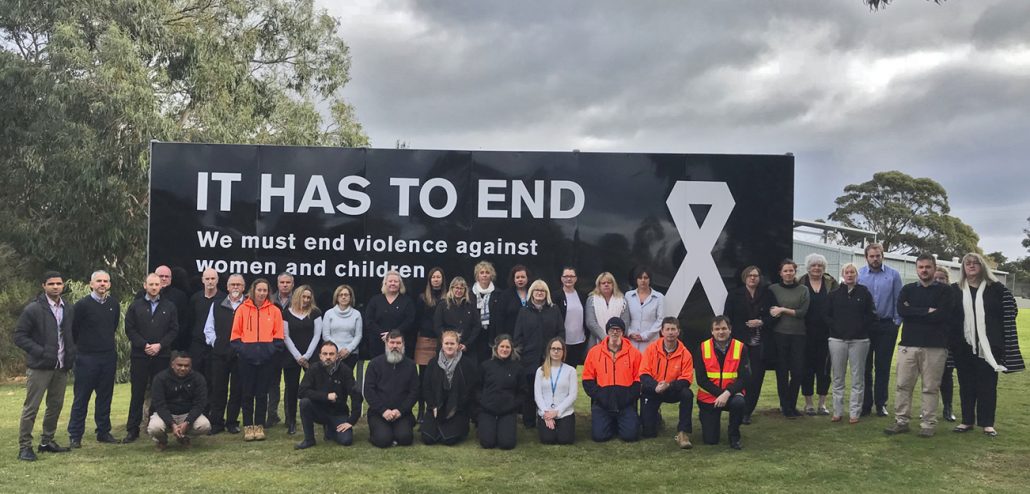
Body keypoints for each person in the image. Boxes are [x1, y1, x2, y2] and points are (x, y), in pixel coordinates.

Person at [951, 252, 1025, 437]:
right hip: (963, 346)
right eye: (968, 263)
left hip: (990, 347)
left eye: (975, 263)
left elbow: (1011, 310)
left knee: (988, 385)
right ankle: (967, 420)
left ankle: (987, 423)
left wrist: (994, 330)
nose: (971, 265)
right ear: (963, 268)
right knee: (966, 384)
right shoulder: (956, 289)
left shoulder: (997, 289)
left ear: (982, 266)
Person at [884, 254, 954, 437]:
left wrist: (914, 312)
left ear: (934, 267)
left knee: (930, 387)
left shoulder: (945, 291)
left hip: (935, 347)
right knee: (903, 385)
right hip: (908, 345)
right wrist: (926, 311)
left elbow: (942, 315)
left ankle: (928, 424)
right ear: (917, 269)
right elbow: (902, 310)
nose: (924, 270)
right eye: (921, 267)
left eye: (928, 267)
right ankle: (901, 421)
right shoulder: (908, 289)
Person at [14, 271, 76, 461]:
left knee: (55, 406)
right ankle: (24, 446)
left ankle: (46, 441)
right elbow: (19, 336)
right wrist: (41, 351)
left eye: (59, 283)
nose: (56, 287)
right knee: (31, 407)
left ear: (63, 285)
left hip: (61, 365)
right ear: (44, 286)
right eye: (51, 284)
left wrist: (72, 351)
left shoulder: (68, 308)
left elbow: (72, 333)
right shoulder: (33, 309)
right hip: (40, 366)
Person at [124, 273, 179, 443]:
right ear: (145, 285)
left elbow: (173, 330)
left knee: (159, 393)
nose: (154, 287)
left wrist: (160, 345)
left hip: (161, 356)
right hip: (140, 356)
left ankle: (155, 427)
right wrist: (144, 345)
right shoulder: (136, 306)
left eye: (157, 284)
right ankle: (132, 430)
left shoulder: (169, 306)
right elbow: (130, 329)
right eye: (151, 284)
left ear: (161, 286)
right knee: (137, 393)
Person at [68, 270, 121, 448]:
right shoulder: (82, 305)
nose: (102, 284)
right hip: (86, 357)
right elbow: (74, 330)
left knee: (105, 396)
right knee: (81, 397)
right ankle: (75, 435)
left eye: (106, 281)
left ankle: (103, 432)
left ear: (109, 285)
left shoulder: (113, 304)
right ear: (91, 284)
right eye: (99, 281)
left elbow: (112, 326)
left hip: (107, 356)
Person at [230, 278, 285, 441]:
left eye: (265, 290)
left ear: (268, 292)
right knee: (247, 393)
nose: (262, 293)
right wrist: (244, 351)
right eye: (259, 290)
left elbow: (279, 336)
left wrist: (270, 351)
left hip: (266, 359)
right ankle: (248, 426)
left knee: (262, 394)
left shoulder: (275, 310)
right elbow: (235, 335)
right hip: (246, 359)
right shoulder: (242, 309)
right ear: (253, 291)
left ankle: (259, 425)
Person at [722, 265, 774, 424]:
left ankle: (748, 411)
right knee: (741, 377)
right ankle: (737, 407)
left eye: (756, 275)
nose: (753, 278)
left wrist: (762, 321)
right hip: (740, 343)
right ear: (745, 277)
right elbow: (727, 317)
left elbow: (775, 315)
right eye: (750, 275)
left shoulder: (767, 294)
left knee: (756, 378)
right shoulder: (734, 295)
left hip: (760, 344)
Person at [826, 263, 876, 424]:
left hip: (859, 341)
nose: (849, 275)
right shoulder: (834, 294)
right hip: (837, 340)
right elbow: (827, 316)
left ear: (856, 275)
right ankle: (837, 411)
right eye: (847, 272)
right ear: (842, 275)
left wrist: (858, 329)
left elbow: (871, 315)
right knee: (838, 377)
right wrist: (838, 329)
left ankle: (855, 412)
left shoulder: (864, 293)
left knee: (857, 377)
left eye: (852, 272)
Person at [858, 243, 903, 417]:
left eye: (878, 256)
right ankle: (865, 404)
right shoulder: (860, 275)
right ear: (866, 257)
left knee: (883, 367)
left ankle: (881, 404)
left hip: (886, 326)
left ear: (882, 255)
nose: (875, 259)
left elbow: (898, 300)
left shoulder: (893, 275)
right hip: (865, 327)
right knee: (865, 367)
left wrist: (896, 323)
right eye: (872, 256)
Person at [582, 317, 642, 442]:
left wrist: (628, 397)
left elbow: (639, 379)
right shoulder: (594, 352)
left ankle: (619, 422)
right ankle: (612, 423)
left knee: (630, 436)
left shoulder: (635, 353)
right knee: (599, 437)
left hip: (626, 404)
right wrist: (600, 396)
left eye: (618, 330)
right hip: (602, 403)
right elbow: (587, 379)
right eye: (612, 329)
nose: (615, 332)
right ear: (607, 332)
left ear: (623, 332)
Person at [513, 279, 563, 427]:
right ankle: (529, 421)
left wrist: (557, 351)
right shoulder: (524, 311)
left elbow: (560, 332)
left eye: (542, 290)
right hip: (529, 358)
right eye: (536, 290)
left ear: (546, 293)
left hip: (549, 358)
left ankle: (547, 418)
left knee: (548, 390)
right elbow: (518, 336)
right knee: (529, 392)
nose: (539, 293)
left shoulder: (554, 310)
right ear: (531, 293)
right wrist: (521, 353)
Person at [639, 317, 694, 449]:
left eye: (673, 329)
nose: (670, 332)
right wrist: (655, 386)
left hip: (672, 389)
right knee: (648, 433)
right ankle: (656, 418)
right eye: (667, 329)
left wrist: (669, 385)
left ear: (678, 332)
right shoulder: (651, 349)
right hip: (654, 389)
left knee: (687, 394)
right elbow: (643, 373)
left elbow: (686, 379)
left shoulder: (685, 353)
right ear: (662, 332)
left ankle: (682, 432)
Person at [363, 271, 416, 409]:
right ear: (385, 283)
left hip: (398, 346)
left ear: (400, 284)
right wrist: (383, 334)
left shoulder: (407, 301)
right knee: (379, 376)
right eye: (390, 281)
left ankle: (400, 407)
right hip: (378, 345)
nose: (393, 283)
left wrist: (393, 334)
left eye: (396, 281)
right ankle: (377, 407)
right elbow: (369, 320)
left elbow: (410, 321)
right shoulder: (375, 300)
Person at [695, 316, 749, 450]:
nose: (721, 332)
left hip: (731, 395)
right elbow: (701, 379)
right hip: (709, 398)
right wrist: (721, 394)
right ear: (711, 331)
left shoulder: (741, 347)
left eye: (724, 328)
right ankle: (707, 419)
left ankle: (734, 436)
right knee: (711, 440)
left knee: (739, 403)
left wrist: (727, 394)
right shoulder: (702, 347)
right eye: (717, 329)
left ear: (730, 330)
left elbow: (744, 378)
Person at [294, 341, 361, 449]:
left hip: (338, 413)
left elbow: (356, 395)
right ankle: (309, 440)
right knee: (304, 403)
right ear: (320, 356)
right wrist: (325, 396)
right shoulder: (313, 369)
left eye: (331, 354)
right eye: (325, 354)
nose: (328, 357)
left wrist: (351, 421)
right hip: (318, 411)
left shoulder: (345, 371)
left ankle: (330, 430)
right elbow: (301, 391)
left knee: (346, 440)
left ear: (337, 356)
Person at [202, 274, 246, 435]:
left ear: (243, 287)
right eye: (232, 284)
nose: (235, 287)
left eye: (238, 285)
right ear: (227, 287)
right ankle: (216, 422)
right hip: (219, 355)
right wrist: (216, 343)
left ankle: (232, 422)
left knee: (237, 389)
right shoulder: (216, 304)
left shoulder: (248, 305)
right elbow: (208, 328)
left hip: (240, 355)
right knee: (218, 389)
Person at [421, 330, 480, 445]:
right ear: (442, 345)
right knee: (428, 439)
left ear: (458, 345)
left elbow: (472, 390)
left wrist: (457, 407)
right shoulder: (433, 363)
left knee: (449, 440)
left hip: (457, 408)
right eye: (446, 343)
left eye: (452, 344)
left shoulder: (467, 364)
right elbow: (426, 387)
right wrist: (432, 405)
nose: (449, 346)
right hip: (436, 407)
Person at [768, 259, 809, 418]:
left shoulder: (803, 290)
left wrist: (783, 309)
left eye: (791, 270)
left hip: (799, 335)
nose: (788, 273)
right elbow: (771, 310)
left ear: (795, 272)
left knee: (798, 372)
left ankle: (792, 404)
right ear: (780, 273)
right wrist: (778, 311)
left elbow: (802, 313)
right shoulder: (773, 289)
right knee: (782, 372)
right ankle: (785, 407)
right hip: (779, 335)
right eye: (785, 271)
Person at [364, 331, 420, 448]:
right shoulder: (374, 364)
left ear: (403, 344)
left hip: (401, 413)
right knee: (383, 440)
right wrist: (383, 411)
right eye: (392, 342)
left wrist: (400, 410)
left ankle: (397, 431)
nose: (395, 346)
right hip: (379, 413)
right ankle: (379, 433)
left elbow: (414, 392)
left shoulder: (410, 365)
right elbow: (369, 391)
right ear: (386, 343)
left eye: (398, 343)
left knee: (405, 438)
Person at [281, 285, 323, 435]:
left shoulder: (316, 313)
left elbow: (317, 336)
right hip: (291, 357)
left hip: (311, 356)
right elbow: (286, 336)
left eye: (308, 297)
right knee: (291, 389)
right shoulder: (286, 313)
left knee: (314, 388)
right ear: (298, 296)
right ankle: (291, 421)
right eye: (304, 297)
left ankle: (318, 418)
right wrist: (298, 356)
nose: (306, 300)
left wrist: (307, 355)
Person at [147, 352, 211, 450]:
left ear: (191, 366)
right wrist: (172, 424)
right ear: (172, 364)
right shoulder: (160, 378)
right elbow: (159, 405)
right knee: (154, 428)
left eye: (186, 366)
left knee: (205, 426)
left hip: (187, 414)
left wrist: (187, 422)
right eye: (179, 365)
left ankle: (184, 437)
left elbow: (200, 404)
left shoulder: (198, 379)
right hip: (165, 414)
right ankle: (162, 440)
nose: (183, 368)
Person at [799, 254, 837, 415]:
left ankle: (822, 404)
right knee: (806, 368)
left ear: (824, 268)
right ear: (808, 267)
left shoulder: (831, 283)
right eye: (814, 265)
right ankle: (808, 404)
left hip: (826, 333)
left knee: (824, 369)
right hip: (804, 332)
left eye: (820, 266)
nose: (817, 268)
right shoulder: (800, 282)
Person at [477, 335, 523, 449]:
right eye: (502, 346)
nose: (504, 349)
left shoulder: (518, 368)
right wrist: (483, 402)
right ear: (496, 348)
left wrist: (512, 405)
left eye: (507, 347)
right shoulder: (485, 366)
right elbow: (476, 388)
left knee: (506, 444)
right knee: (487, 443)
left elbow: (522, 392)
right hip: (487, 410)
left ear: (511, 349)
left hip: (507, 411)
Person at [414, 267, 445, 421]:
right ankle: (420, 411)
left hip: (442, 341)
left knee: (437, 377)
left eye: (438, 277)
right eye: (433, 277)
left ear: (442, 279)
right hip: (425, 340)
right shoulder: (422, 298)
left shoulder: (447, 298)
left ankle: (434, 408)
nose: (436, 279)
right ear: (429, 280)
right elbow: (417, 319)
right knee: (423, 377)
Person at [186, 268, 222, 401]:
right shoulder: (195, 299)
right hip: (197, 345)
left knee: (212, 380)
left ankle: (209, 412)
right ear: (202, 280)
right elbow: (190, 322)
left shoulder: (223, 299)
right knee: (194, 378)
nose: (210, 282)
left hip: (214, 346)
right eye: (207, 279)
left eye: (213, 278)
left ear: (217, 280)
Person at [534, 337, 578, 445]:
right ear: (549, 350)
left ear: (563, 352)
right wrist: (546, 413)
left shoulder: (571, 370)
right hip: (546, 412)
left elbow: (572, 395)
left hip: (564, 412)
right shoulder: (540, 370)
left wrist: (557, 411)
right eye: (553, 348)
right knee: (547, 439)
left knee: (565, 440)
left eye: (559, 349)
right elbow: (538, 395)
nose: (556, 351)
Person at [266, 272, 295, 428]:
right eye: (282, 282)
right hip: (273, 348)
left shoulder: (297, 300)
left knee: (291, 385)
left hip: (291, 348)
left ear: (292, 284)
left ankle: (290, 418)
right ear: (277, 284)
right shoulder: (269, 300)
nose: (285, 285)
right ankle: (272, 415)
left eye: (287, 282)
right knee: (273, 384)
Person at [933, 267, 958, 422]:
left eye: (941, 278)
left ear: (947, 280)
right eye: (936, 278)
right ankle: (929, 408)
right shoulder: (926, 293)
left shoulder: (953, 295)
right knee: (930, 378)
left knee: (946, 376)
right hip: (930, 341)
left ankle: (947, 408)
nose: (938, 281)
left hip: (947, 342)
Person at [433, 276, 482, 352]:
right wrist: (449, 342)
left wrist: (467, 344)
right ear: (451, 289)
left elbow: (477, 326)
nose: (459, 290)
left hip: (466, 348)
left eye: (461, 288)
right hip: (447, 348)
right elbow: (438, 326)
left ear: (465, 290)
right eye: (456, 288)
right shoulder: (442, 305)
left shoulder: (470, 305)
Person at [553, 266, 588, 366]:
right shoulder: (556, 296)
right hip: (563, 342)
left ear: (576, 279)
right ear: (561, 278)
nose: (569, 279)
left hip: (579, 342)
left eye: (572, 276)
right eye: (566, 276)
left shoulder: (582, 296)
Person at [624, 266, 665, 352]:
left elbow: (660, 319)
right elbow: (624, 317)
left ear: (650, 280)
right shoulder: (628, 295)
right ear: (636, 280)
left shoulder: (659, 297)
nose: (643, 280)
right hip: (632, 340)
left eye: (645, 278)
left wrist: (646, 335)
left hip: (651, 341)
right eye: (640, 278)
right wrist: (630, 333)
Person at [584, 272, 629, 347]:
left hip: (618, 342)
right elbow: (590, 322)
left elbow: (625, 322)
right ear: (599, 285)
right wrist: (605, 338)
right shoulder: (591, 300)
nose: (606, 285)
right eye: (603, 283)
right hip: (596, 341)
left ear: (613, 285)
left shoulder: (622, 300)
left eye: (609, 282)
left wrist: (614, 338)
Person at [153, 265, 191, 352]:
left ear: (171, 278)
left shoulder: (180, 296)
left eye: (167, 276)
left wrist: (169, 340)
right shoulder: (143, 295)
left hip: (172, 345)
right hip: (149, 345)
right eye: (161, 276)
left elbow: (184, 322)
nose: (164, 279)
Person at [471, 261, 503, 363]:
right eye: (482, 272)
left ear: (491, 275)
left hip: (491, 334)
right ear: (477, 276)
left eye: (487, 272)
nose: (484, 275)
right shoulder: (470, 293)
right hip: (474, 335)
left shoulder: (498, 294)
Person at [497, 264, 531, 338]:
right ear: (513, 279)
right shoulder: (505, 295)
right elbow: (500, 319)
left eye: (523, 277)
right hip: (511, 336)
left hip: (530, 337)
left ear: (527, 278)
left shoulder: (533, 293)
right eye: (517, 277)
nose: (520, 279)